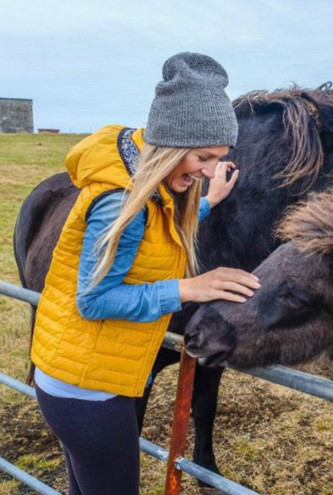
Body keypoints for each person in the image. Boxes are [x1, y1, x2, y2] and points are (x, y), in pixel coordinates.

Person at [31, 52, 260, 495]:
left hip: (78, 378)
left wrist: (209, 198)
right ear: (171, 143)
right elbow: (94, 300)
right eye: (203, 156)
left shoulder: (140, 179)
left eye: (220, 158)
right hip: (89, 393)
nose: (211, 169)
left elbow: (158, 228)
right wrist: (189, 287)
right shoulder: (122, 203)